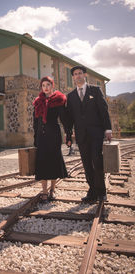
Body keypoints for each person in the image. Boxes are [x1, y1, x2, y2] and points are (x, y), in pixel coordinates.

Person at [66, 65, 112, 202]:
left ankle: (102, 192)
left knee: (97, 161)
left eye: (80, 73)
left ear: (85, 75)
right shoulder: (71, 96)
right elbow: (70, 118)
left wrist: (108, 129)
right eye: (75, 74)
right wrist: (68, 135)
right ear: (73, 77)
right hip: (81, 135)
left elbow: (104, 110)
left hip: (96, 133)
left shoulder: (95, 90)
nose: (78, 76)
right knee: (86, 164)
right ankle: (92, 191)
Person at [33, 76, 68, 202]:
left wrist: (68, 134)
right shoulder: (37, 101)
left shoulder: (59, 100)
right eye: (43, 85)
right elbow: (35, 122)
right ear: (41, 87)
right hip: (41, 136)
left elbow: (64, 119)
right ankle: (44, 191)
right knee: (42, 162)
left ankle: (52, 190)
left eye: (48, 85)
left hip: (54, 135)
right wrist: (35, 138)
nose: (46, 87)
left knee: (53, 162)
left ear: (52, 86)